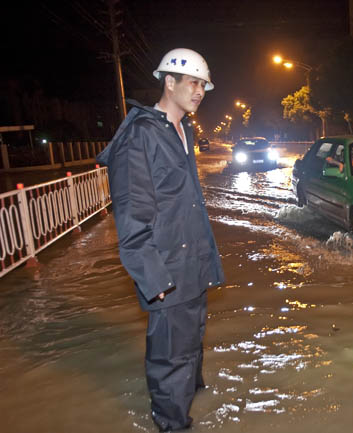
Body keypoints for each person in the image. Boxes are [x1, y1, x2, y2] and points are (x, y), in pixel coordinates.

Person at [96, 48, 225, 432]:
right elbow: (132, 218)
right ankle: (172, 424)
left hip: (193, 265)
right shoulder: (139, 137)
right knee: (171, 355)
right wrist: (155, 282)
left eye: (204, 85)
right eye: (193, 83)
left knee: (191, 345)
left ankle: (191, 394)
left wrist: (206, 262)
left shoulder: (181, 130)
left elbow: (186, 204)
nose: (200, 91)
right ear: (169, 82)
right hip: (167, 271)